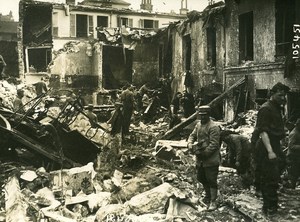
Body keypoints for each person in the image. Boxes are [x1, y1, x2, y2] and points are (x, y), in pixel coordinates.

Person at [252, 82, 290, 216]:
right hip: (266, 145)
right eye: (280, 95)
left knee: (282, 165)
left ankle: (266, 201)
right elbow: (263, 132)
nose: (283, 98)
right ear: (272, 94)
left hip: (275, 144)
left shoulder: (277, 107)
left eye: (284, 95)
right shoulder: (266, 109)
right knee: (271, 177)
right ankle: (270, 210)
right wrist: (270, 151)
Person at [187, 105, 221, 211]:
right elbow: (192, 135)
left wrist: (204, 153)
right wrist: (189, 143)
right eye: (200, 115)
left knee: (211, 180)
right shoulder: (198, 125)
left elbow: (214, 144)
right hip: (200, 158)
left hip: (210, 159)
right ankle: (207, 196)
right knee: (201, 177)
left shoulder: (213, 127)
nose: (202, 118)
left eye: (204, 116)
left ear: (209, 115)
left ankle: (213, 201)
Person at [287, 118, 300, 189]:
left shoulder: (298, 132)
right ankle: (292, 187)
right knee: (294, 173)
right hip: (293, 156)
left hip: (297, 156)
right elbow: (291, 146)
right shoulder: (294, 133)